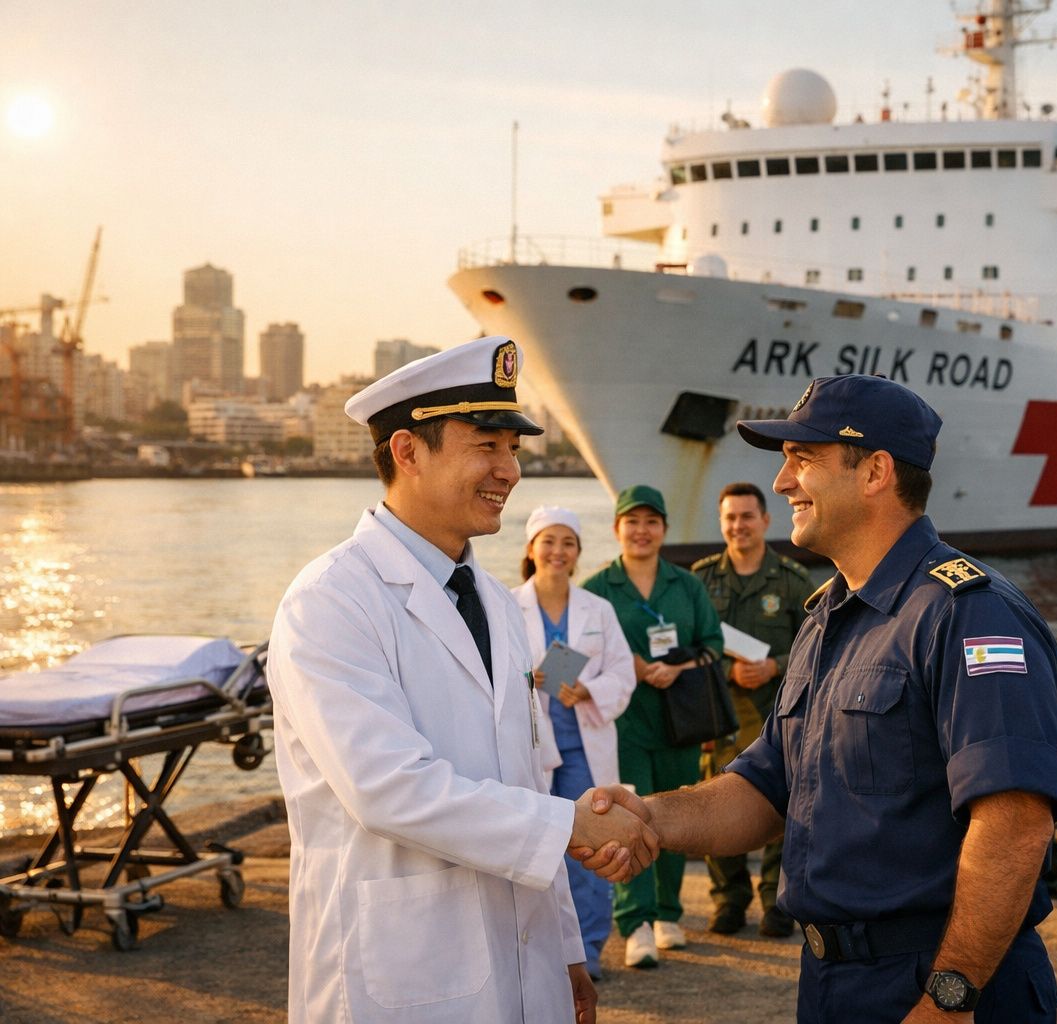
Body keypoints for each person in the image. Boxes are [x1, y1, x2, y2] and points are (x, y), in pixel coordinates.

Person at [591, 375, 1057, 1022]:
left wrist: (950, 998)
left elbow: (1015, 823)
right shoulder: (826, 617)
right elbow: (764, 788)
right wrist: (647, 819)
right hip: (831, 982)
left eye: (803, 460)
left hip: (939, 983)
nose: (783, 483)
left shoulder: (969, 615)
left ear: (874, 472)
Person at [266, 335, 657, 1023]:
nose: (509, 469)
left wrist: (567, 951)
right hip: (398, 971)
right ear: (408, 452)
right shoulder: (330, 600)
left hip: (523, 966)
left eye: (513, 448)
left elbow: (526, 780)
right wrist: (571, 825)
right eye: (487, 445)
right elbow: (389, 789)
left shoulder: (497, 602)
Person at [580, 485, 724, 970]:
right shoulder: (598, 588)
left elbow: (713, 645)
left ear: (664, 529)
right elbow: (568, 652)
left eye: (651, 522)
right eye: (632, 522)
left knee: (676, 813)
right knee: (627, 818)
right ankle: (635, 920)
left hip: (679, 721)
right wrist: (545, 685)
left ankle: (668, 913)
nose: (641, 531)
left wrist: (677, 670)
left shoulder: (687, 586)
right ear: (617, 528)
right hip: (621, 724)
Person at [511, 504, 638, 981]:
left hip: (585, 748)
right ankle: (539, 954)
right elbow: (491, 679)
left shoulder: (597, 610)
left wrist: (588, 690)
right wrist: (530, 679)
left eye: (567, 542)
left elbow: (623, 673)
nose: (557, 551)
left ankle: (587, 950)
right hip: (533, 748)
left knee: (592, 848)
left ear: (579, 552)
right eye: (548, 540)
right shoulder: (505, 605)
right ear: (531, 548)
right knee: (534, 849)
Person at [690, 482, 814, 938]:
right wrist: (727, 669)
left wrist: (773, 666)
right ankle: (729, 900)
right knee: (712, 808)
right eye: (730, 518)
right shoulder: (701, 581)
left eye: (747, 516)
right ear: (722, 524)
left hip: (777, 718)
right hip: (720, 717)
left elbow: (817, 648)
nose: (738, 526)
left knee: (783, 810)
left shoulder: (793, 580)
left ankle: (776, 902)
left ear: (765, 520)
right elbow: (690, 645)